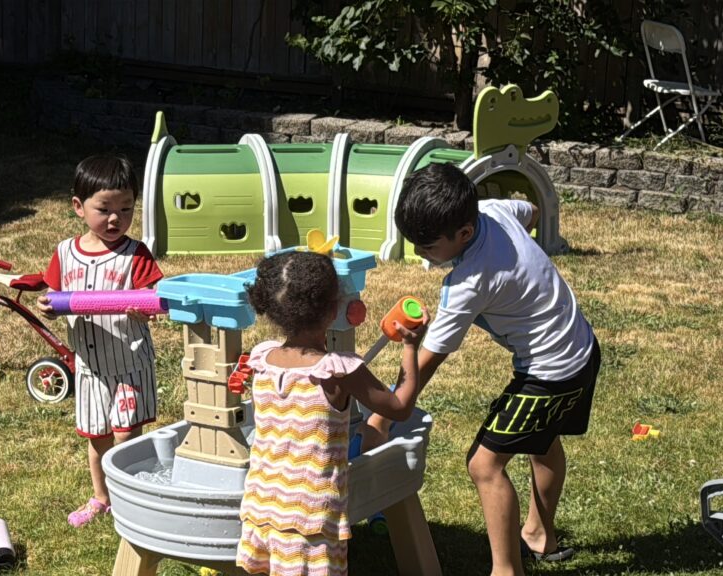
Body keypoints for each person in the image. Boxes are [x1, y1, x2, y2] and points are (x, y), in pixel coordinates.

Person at [366, 163, 601, 574]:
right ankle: (539, 536)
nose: (421, 254)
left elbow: (429, 359)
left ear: (464, 234)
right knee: (541, 441)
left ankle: (506, 570)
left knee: (485, 465)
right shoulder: (490, 210)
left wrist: (381, 418)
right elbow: (529, 209)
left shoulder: (469, 283)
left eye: (427, 246)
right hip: (580, 347)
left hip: (550, 373)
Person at [235, 250, 428, 576]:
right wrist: (411, 346)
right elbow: (399, 407)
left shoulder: (261, 357)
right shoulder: (337, 370)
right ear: (333, 308)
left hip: (263, 504)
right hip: (311, 516)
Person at [35, 154, 164, 528]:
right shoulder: (65, 252)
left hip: (128, 362)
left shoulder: (135, 254)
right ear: (78, 206)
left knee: (126, 437)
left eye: (126, 209)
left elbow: (152, 295)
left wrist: (146, 307)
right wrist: (48, 305)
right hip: (90, 366)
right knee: (97, 438)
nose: (115, 219)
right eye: (104, 209)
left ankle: (133, 499)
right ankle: (101, 497)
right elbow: (52, 292)